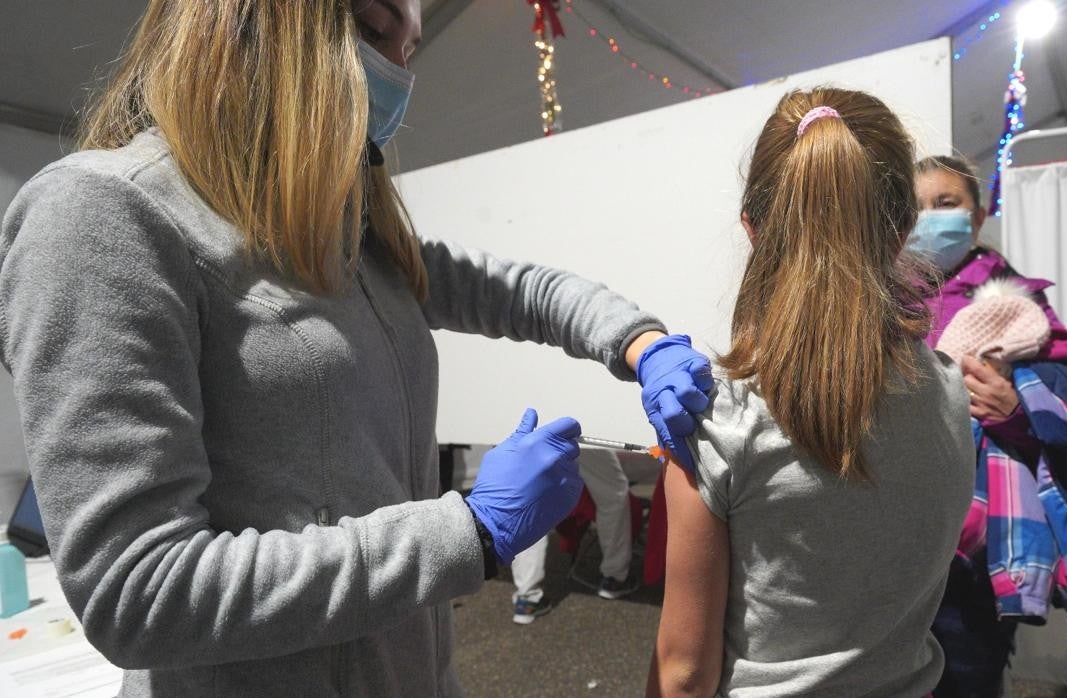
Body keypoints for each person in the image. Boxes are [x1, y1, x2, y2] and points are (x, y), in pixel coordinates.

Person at [0, 1, 712, 694]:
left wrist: (640, 344)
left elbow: (522, 291)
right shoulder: (104, 215)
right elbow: (139, 592)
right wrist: (468, 531)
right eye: (374, 29)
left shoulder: (337, 232)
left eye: (408, 50)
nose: (400, 73)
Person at [648, 88, 976, 697]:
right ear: (905, 226)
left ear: (751, 228)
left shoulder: (718, 420)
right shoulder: (952, 392)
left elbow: (684, 676)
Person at [912, 155, 1067, 697]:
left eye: (945, 204)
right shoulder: (882, 301)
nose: (929, 218)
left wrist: (1016, 412)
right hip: (895, 532)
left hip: (975, 549)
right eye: (916, 207)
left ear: (976, 217)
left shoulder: (1017, 307)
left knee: (966, 674)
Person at [510, 447, 638, 624]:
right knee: (613, 494)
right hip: (581, 428)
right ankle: (614, 577)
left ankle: (527, 598)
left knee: (530, 502)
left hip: (533, 428)